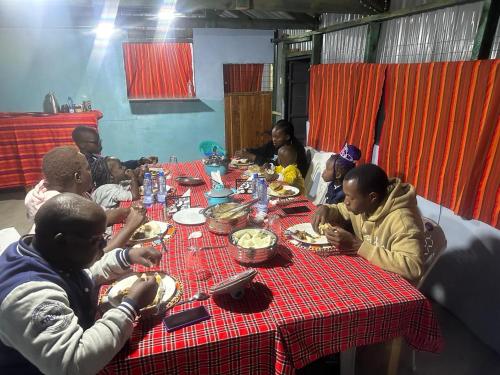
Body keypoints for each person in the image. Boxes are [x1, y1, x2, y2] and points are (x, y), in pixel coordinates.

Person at [0, 193, 162, 374]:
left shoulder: (46, 250)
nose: (104, 244)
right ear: (61, 241)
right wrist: (131, 305)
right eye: (95, 241)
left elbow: (83, 271)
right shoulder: (28, 296)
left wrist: (126, 256)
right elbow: (74, 364)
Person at [312, 164, 424, 282]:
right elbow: (340, 209)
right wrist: (327, 209)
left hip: (393, 285)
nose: (346, 201)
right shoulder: (363, 205)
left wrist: (358, 245)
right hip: (365, 272)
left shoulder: (403, 220)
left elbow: (413, 267)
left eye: (350, 197)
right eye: (345, 195)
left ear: (372, 197)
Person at [25, 146, 144, 252]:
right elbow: (95, 257)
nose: (91, 172)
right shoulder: (62, 211)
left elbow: (98, 216)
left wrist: (125, 211)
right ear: (78, 177)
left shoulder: (73, 192)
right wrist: (130, 227)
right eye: (87, 168)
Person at [71, 126, 157, 189]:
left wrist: (139, 161)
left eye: (99, 140)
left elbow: (120, 165)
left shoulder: (94, 157)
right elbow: (116, 176)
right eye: (95, 142)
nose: (100, 144)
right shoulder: (86, 165)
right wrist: (136, 174)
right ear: (82, 144)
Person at [234, 119, 309, 177]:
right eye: (273, 136)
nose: (274, 140)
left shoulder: (293, 150)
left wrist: (252, 157)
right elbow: (261, 151)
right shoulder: (276, 143)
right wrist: (248, 151)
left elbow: (280, 167)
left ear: (287, 137)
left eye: (277, 137)